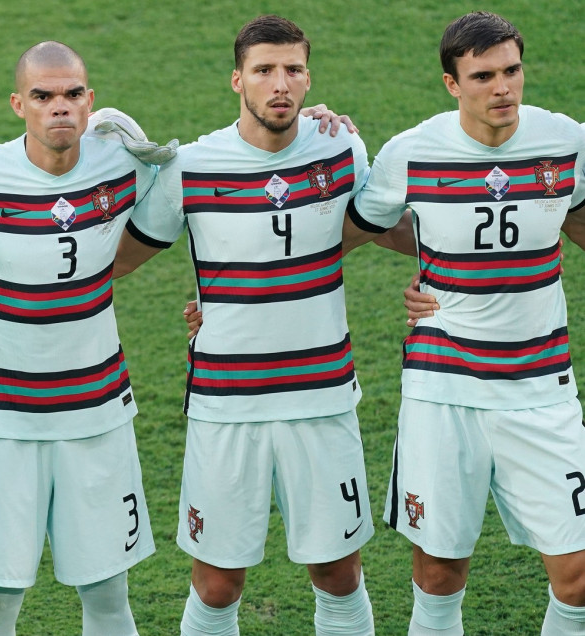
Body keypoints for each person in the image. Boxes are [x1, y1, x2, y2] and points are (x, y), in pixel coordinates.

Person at [115, 15, 382, 635]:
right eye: (264, 70)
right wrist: (4, 284)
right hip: (227, 403)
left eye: (292, 70)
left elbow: (371, 227)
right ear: (238, 79)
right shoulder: (192, 166)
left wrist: (443, 284)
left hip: (320, 396)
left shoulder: (341, 148)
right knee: (216, 582)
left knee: (338, 572)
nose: (279, 84)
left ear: (308, 77)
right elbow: (120, 257)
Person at [0, 41, 164, 635]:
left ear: (90, 102)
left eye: (71, 95)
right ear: (19, 103)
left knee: (110, 602)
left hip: (97, 417)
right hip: (2, 423)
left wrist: (326, 125)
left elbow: (216, 187)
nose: (58, 108)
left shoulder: (126, 162)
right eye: (43, 96)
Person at [350, 12, 585, 634]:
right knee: (439, 575)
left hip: (541, 387)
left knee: (579, 573)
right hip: (443, 386)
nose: (502, 87)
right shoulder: (412, 152)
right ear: (453, 84)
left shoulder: (565, 141)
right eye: (483, 76)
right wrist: (434, 259)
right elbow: (361, 226)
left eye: (512, 70)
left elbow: (578, 214)